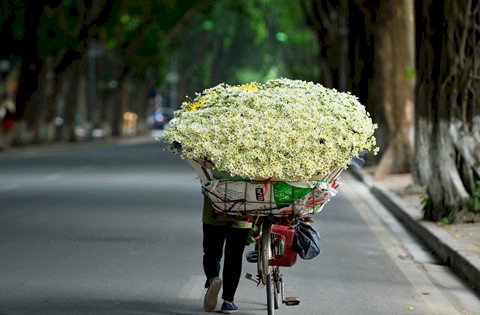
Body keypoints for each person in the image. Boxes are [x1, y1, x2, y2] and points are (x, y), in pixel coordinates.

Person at [202, 195, 252, 314]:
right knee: (234, 258)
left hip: (213, 214)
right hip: (242, 217)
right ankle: (228, 302)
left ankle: (213, 278)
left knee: (212, 252)